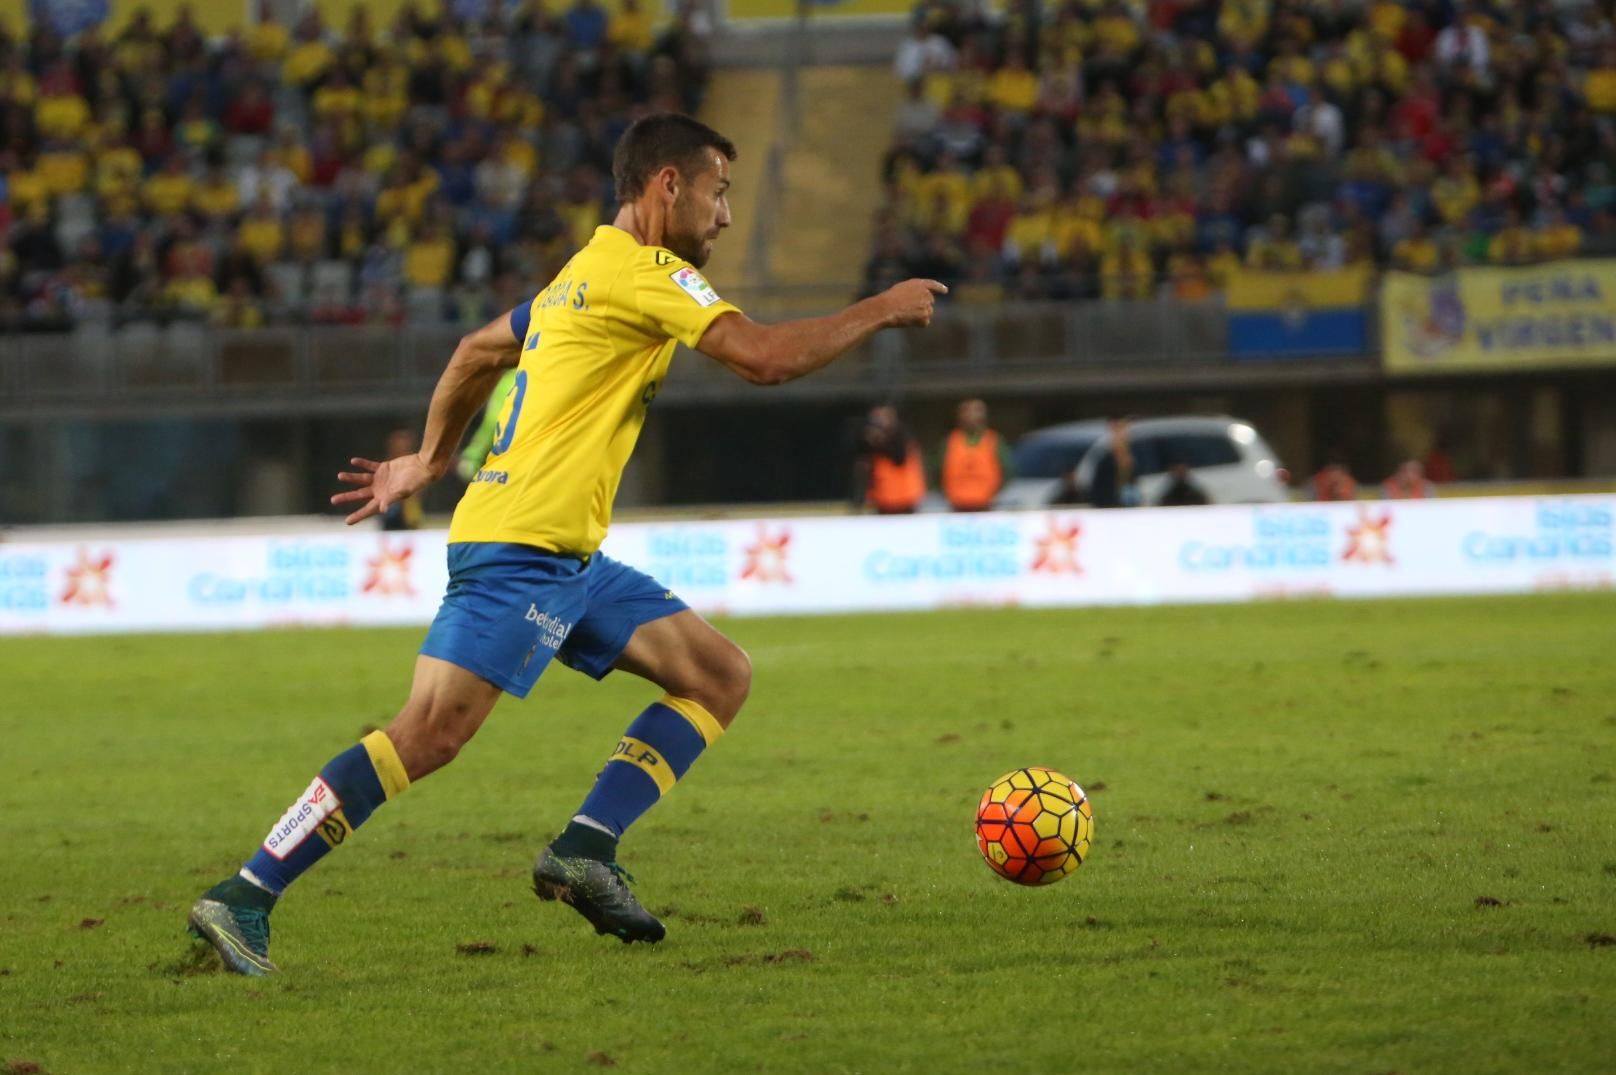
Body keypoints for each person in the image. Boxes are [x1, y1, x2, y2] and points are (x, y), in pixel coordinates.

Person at [187, 113, 946, 974]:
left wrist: (433, 459)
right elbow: (763, 358)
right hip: (519, 554)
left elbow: (479, 348)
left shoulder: (579, 276)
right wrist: (882, 308)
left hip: (568, 559)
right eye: (719, 191)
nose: (725, 216)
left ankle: (586, 846)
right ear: (669, 185)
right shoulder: (648, 273)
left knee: (717, 674)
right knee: (428, 733)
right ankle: (246, 892)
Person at [940, 397, 1012, 511]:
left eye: (976, 410)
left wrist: (993, 493)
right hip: (956, 505)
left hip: (987, 505)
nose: (971, 415)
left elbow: (1008, 470)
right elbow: (936, 470)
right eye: (967, 411)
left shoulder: (994, 440)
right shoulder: (950, 441)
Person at [856, 404, 926, 514]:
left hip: (903, 499)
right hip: (883, 499)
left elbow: (899, 458)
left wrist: (880, 441)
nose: (879, 423)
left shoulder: (901, 436)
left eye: (882, 418)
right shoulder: (875, 441)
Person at [379, 428, 424, 530]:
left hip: (409, 514)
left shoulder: (415, 465)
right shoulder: (387, 466)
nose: (402, 446)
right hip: (390, 514)